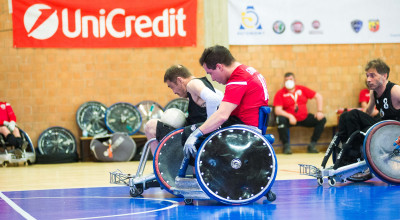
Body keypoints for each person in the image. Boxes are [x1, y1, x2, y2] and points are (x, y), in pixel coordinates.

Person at [183, 45, 269, 165]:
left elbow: (222, 116)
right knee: (205, 126)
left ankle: (196, 176)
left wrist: (195, 134)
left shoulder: (238, 79)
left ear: (219, 66)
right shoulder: (248, 71)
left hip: (243, 129)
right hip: (248, 123)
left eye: (211, 73)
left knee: (190, 132)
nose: (212, 79)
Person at [332, 58, 400, 169]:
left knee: (356, 121)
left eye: (372, 76)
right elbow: (368, 112)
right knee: (346, 116)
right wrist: (350, 118)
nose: (368, 79)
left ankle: (352, 155)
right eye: (367, 76)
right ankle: (346, 152)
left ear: (384, 76)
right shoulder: (374, 92)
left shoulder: (395, 90)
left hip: (392, 131)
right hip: (382, 127)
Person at [144, 64, 223, 155]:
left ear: (179, 80)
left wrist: (210, 125)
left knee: (151, 126)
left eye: (172, 86)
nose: (174, 92)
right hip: (196, 131)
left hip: (198, 134)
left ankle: (159, 167)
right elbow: (219, 99)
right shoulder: (205, 86)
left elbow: (214, 99)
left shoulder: (192, 83)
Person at [273, 72, 326, 154]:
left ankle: (312, 145)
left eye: (290, 79)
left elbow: (318, 96)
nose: (288, 81)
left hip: (304, 117)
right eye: (286, 80)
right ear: (284, 82)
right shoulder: (280, 93)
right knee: (280, 119)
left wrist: (319, 111)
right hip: (290, 120)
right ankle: (286, 146)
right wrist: (290, 116)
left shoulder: (302, 89)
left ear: (294, 80)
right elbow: (277, 110)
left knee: (322, 119)